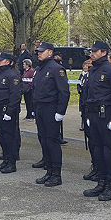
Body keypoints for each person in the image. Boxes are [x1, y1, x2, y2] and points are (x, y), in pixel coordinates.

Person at [82, 41, 111, 201]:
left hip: (106, 115)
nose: (92, 53)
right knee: (97, 150)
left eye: (95, 51)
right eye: (91, 51)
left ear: (104, 52)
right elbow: (88, 96)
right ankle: (100, 182)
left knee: (109, 152)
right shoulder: (93, 70)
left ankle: (110, 186)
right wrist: (87, 116)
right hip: (93, 115)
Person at [32, 42, 70, 187]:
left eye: (42, 51)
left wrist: (60, 112)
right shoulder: (40, 69)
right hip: (41, 108)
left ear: (50, 52)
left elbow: (64, 92)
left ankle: (56, 174)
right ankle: (48, 171)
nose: (39, 54)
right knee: (44, 140)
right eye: (38, 52)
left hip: (51, 109)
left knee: (52, 142)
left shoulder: (56, 69)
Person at [0, 52, 22, 174]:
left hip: (6, 109)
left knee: (9, 137)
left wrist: (10, 111)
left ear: (8, 62)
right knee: (1, 136)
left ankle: (11, 162)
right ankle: (6, 159)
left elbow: (15, 95)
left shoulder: (12, 74)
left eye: (0, 60)